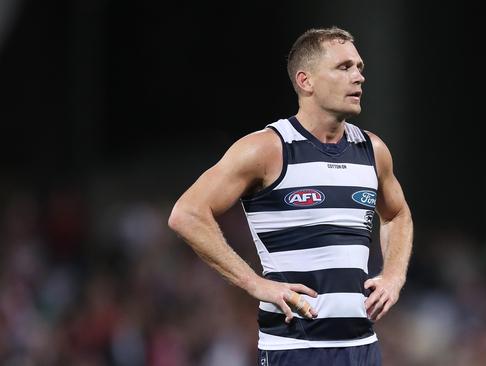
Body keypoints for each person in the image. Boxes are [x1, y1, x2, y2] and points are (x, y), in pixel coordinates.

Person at [168, 26, 413, 366]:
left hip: (363, 348)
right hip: (295, 350)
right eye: (344, 67)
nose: (359, 77)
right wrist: (256, 284)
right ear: (305, 81)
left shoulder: (372, 150)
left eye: (360, 68)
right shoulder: (267, 149)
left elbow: (397, 214)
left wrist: (394, 276)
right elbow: (187, 213)